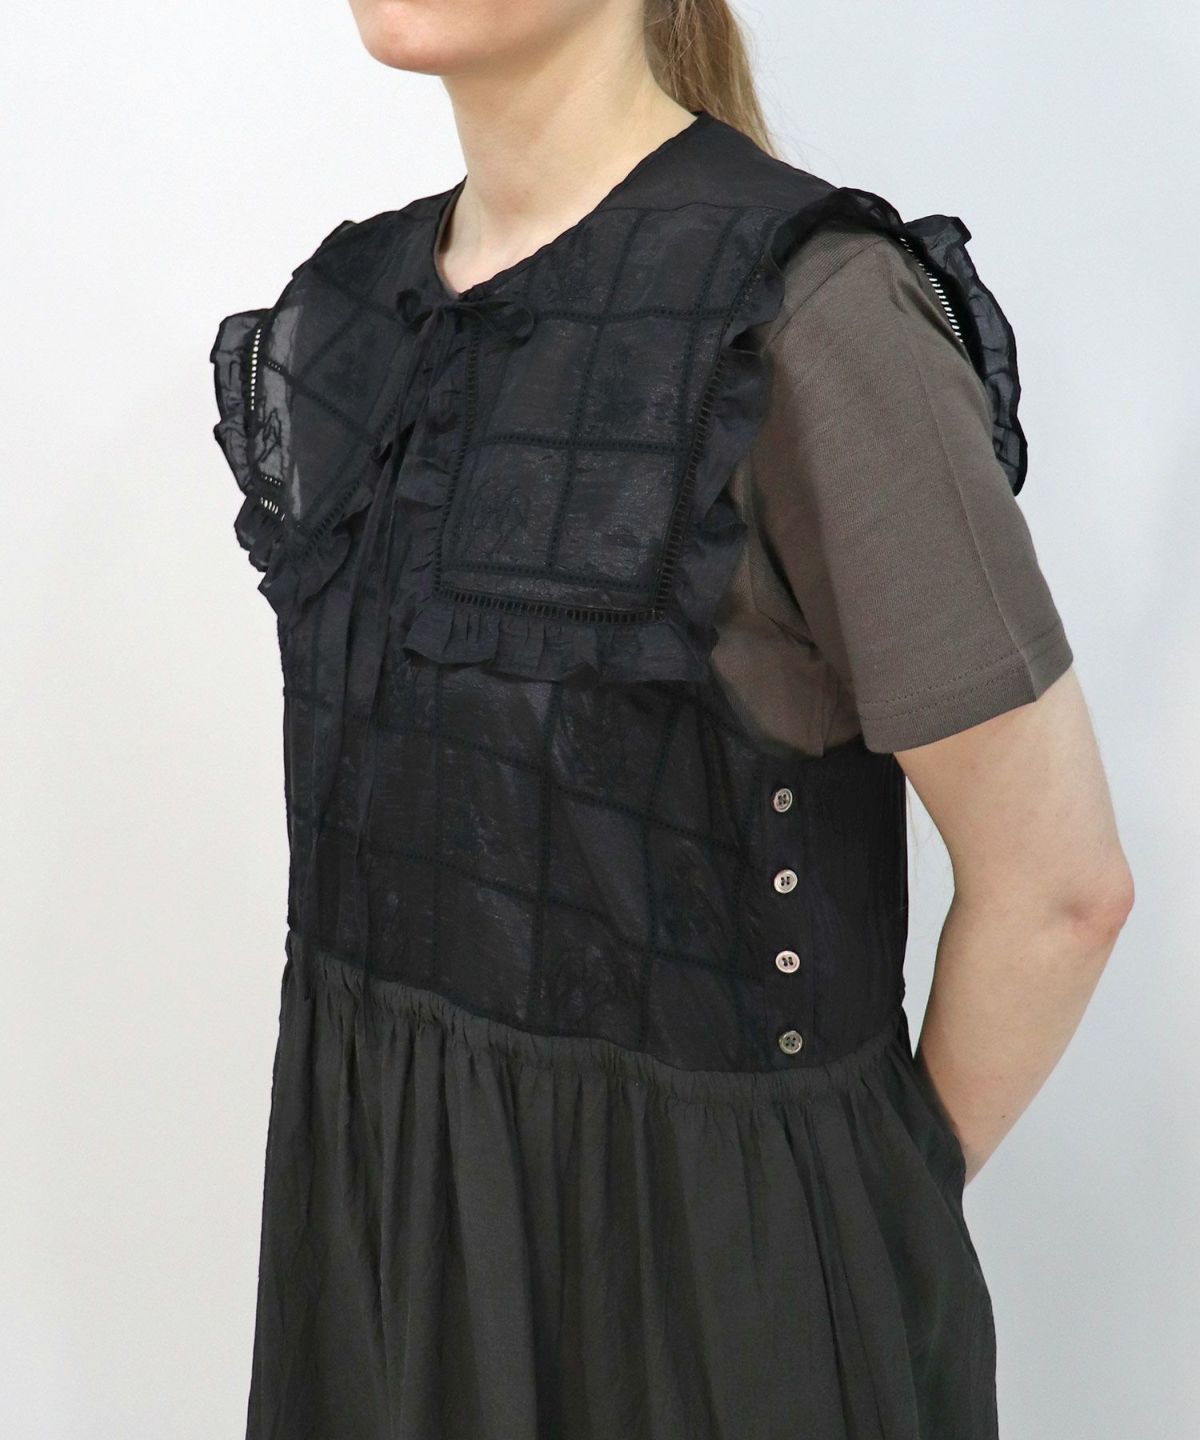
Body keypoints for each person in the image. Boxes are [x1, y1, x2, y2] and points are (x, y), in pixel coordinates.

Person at [208, 2, 1135, 1436]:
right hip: (382, 1271)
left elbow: (1059, 890)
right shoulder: (341, 320)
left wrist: (844, 1222)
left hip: (715, 1321)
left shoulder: (813, 313)